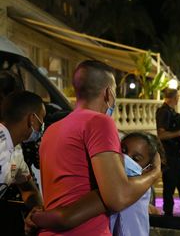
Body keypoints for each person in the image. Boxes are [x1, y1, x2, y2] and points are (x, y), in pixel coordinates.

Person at [37, 60, 161, 235]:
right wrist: (154, 175)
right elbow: (118, 198)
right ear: (109, 93)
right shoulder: (99, 122)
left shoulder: (52, 130)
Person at [30, 132, 162, 236]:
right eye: (123, 150)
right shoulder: (114, 181)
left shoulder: (124, 189)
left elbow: (67, 217)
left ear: (147, 168)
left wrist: (36, 217)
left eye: (135, 159)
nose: (125, 158)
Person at [0, 91, 44, 235]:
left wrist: (37, 210)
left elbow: (28, 189)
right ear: (32, 119)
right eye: (41, 120)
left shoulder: (16, 150)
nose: (42, 127)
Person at [156, 88, 180, 218]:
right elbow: (160, 135)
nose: (178, 99)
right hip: (169, 157)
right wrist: (178, 133)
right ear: (174, 98)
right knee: (170, 187)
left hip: (176, 156)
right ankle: (168, 216)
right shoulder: (164, 112)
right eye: (177, 97)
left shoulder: (171, 112)